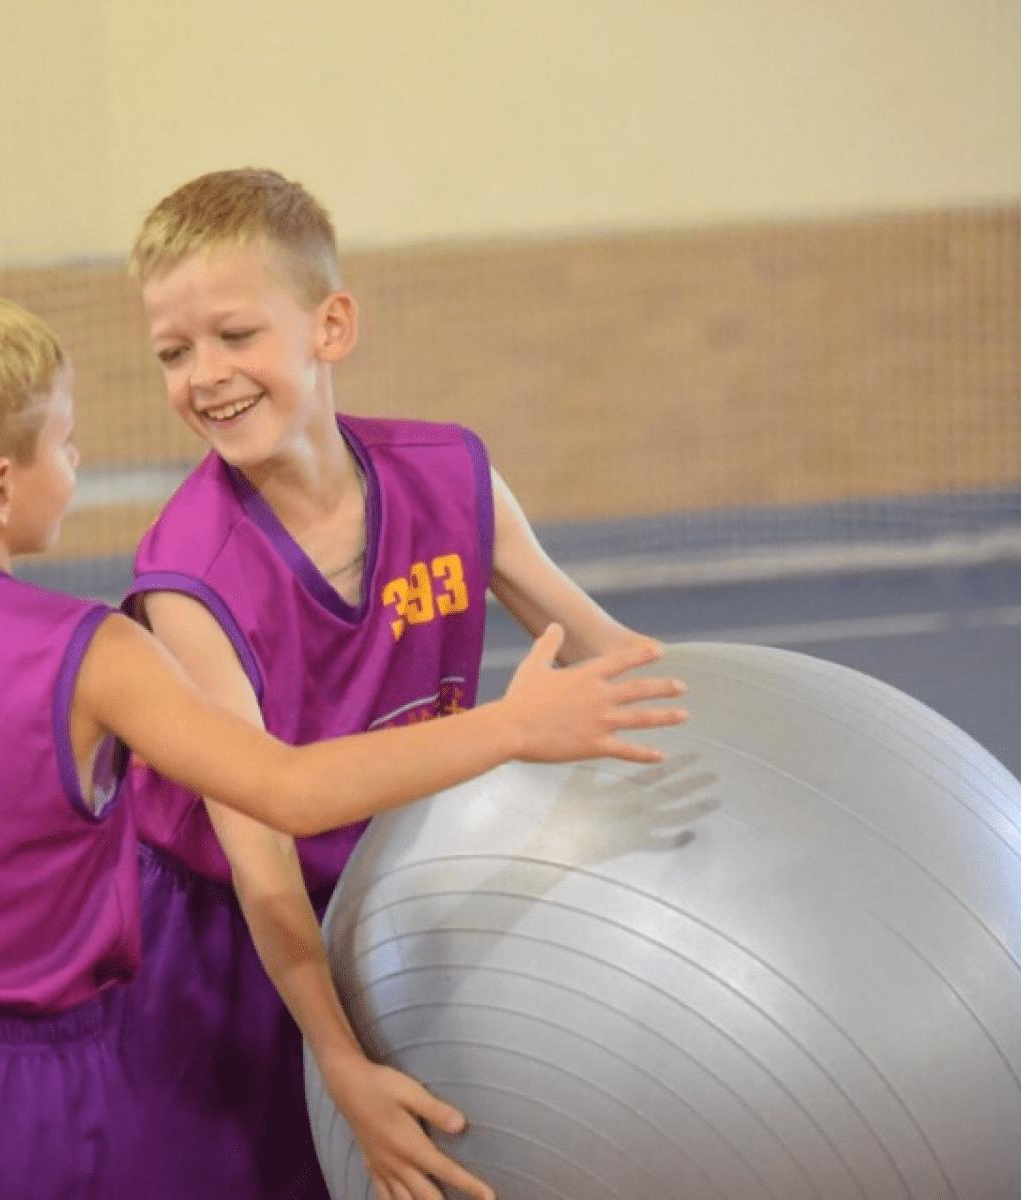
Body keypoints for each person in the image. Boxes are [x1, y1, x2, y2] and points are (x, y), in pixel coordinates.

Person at [0, 284, 685, 1198]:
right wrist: (512, 726)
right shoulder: (86, 653)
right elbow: (288, 790)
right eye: (63, 443)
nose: (75, 459)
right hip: (40, 1101)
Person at [119, 168, 674, 1200]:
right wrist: (336, 1060)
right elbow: (263, 861)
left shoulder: (450, 477)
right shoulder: (189, 579)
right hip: (235, 939)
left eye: (235, 335)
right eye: (173, 352)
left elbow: (606, 649)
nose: (206, 375)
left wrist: (728, 747)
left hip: (394, 897)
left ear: (330, 326)